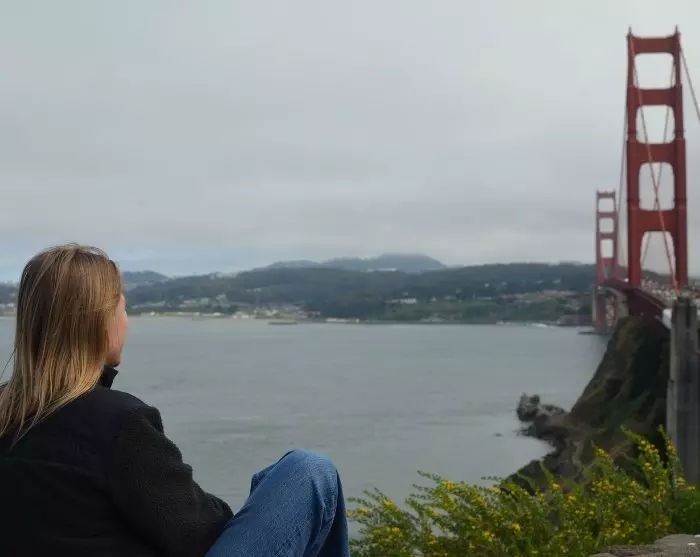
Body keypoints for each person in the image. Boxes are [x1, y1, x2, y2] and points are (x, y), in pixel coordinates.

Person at [0, 244, 350, 557]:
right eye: (122, 308)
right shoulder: (118, 423)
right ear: (100, 321)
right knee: (307, 472)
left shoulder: (7, 412)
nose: (126, 322)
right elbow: (200, 534)